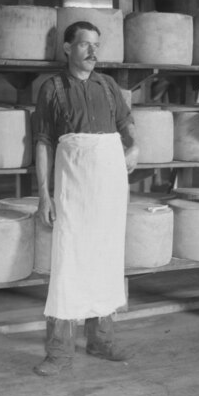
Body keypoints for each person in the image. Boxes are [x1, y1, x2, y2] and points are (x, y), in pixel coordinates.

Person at [32, 20, 139, 376]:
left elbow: (127, 124)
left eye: (97, 45)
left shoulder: (108, 85)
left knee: (106, 258)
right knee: (69, 262)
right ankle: (60, 351)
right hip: (73, 183)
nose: (93, 52)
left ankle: (102, 340)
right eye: (84, 45)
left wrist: (134, 147)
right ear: (67, 48)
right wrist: (44, 196)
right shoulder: (52, 88)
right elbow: (44, 142)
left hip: (108, 183)